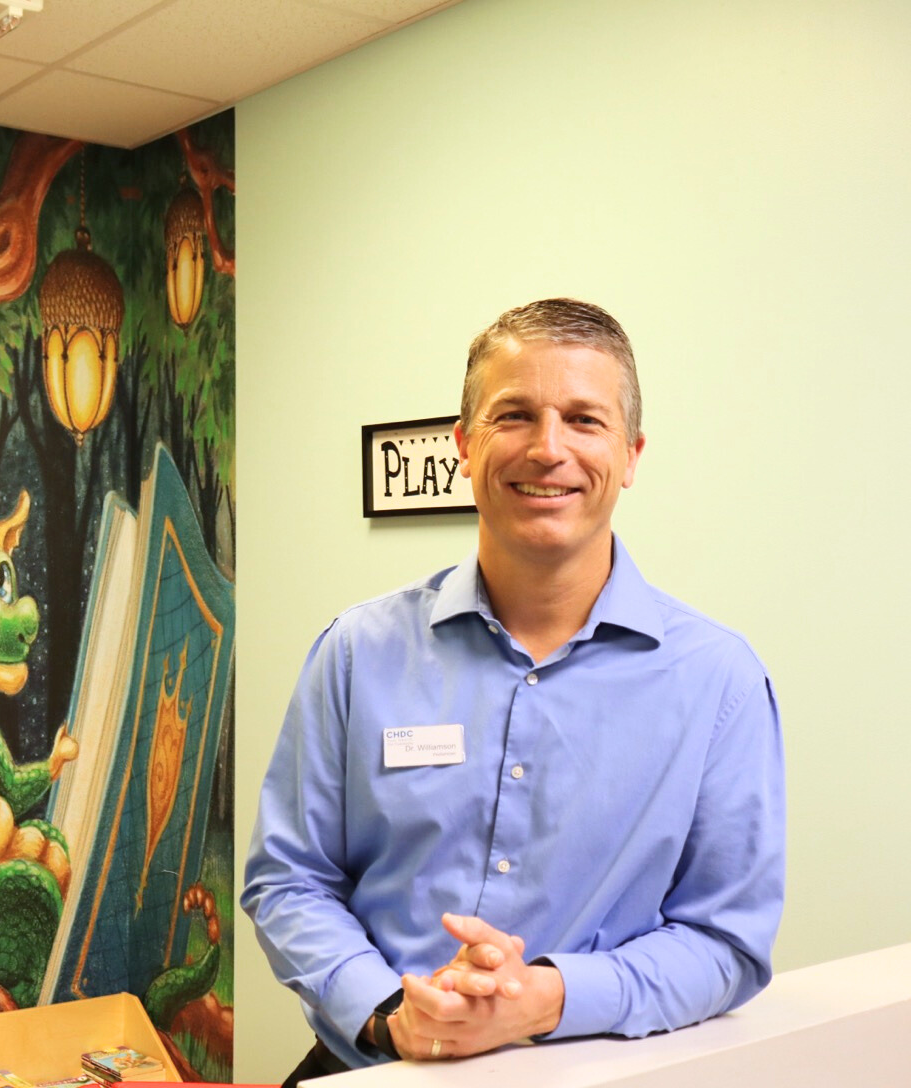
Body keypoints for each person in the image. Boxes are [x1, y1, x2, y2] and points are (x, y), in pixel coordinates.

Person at [242, 299, 784, 1082]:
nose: (548, 448)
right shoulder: (358, 653)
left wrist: (547, 1000)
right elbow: (289, 878)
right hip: (371, 1063)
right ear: (464, 445)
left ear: (630, 455)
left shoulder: (719, 682)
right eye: (516, 415)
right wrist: (391, 1014)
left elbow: (725, 942)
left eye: (584, 420)